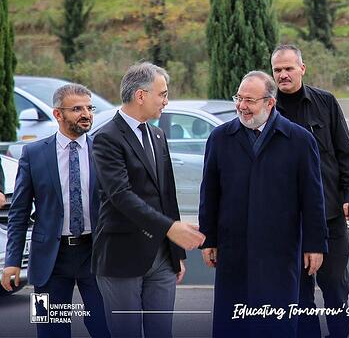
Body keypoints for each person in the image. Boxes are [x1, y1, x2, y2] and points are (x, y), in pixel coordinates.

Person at [198, 70, 328, 337]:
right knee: (233, 323)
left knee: (276, 324)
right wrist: (207, 238)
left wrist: (315, 244)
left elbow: (313, 198)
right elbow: (209, 193)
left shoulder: (299, 140)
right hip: (234, 249)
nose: (242, 106)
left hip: (279, 252)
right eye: (239, 98)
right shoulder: (221, 138)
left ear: (270, 103)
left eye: (250, 100)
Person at [92, 62, 205, 338]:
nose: (166, 101)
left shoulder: (157, 134)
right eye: (162, 94)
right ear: (141, 95)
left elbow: (167, 195)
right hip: (121, 257)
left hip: (162, 258)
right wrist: (170, 228)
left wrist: (175, 252)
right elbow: (121, 195)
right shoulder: (106, 138)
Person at [1, 84, 110, 338]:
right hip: (50, 258)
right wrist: (12, 262)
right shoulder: (34, 153)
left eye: (89, 108)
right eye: (77, 109)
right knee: (51, 331)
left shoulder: (104, 152)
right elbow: (19, 211)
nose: (86, 114)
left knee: (105, 328)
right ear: (58, 114)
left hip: (95, 254)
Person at [271, 44, 349, 338]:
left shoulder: (326, 102)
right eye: (277, 70)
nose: (283, 75)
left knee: (334, 285)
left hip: (329, 216)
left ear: (302, 69)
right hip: (287, 223)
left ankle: (340, 333)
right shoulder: (266, 108)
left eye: (289, 68)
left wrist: (347, 199)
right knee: (298, 294)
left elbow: (346, 155)